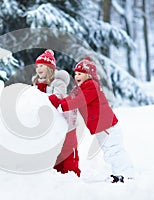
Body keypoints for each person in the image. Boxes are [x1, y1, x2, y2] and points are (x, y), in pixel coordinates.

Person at [49, 56, 134, 182]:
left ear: (88, 75)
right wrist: (58, 101)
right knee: (110, 151)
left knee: (114, 150)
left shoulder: (91, 86)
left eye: (80, 74)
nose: (76, 76)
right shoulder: (80, 88)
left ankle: (126, 175)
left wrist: (62, 106)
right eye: (76, 73)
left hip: (107, 126)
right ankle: (121, 174)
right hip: (102, 127)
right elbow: (71, 98)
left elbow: (79, 101)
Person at [33, 49, 81, 177]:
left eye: (41, 65)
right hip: (49, 120)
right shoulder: (37, 84)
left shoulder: (58, 82)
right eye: (37, 66)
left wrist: (42, 98)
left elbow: (57, 99)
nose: (38, 69)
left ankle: (71, 172)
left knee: (67, 147)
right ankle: (54, 172)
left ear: (49, 68)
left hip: (64, 119)